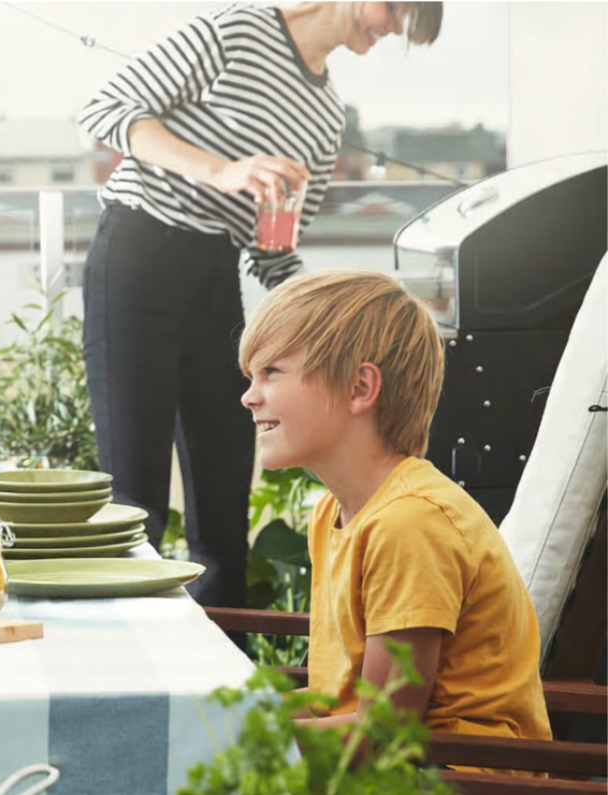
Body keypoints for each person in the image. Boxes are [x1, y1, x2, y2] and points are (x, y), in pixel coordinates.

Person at [76, 2, 442, 609]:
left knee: (225, 494)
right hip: (138, 257)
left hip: (215, 274)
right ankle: (132, 647)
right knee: (135, 496)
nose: (392, 29)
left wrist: (339, 326)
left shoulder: (325, 117)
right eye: (395, 9)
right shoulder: (238, 31)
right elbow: (106, 108)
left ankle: (228, 657)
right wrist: (221, 171)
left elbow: (274, 252)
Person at [238, 270, 551, 768]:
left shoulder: (410, 524)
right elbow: (340, 699)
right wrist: (227, 718)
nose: (249, 396)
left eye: (271, 372)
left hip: (458, 777)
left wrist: (231, 741)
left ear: (360, 387)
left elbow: (381, 733)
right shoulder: (334, 513)